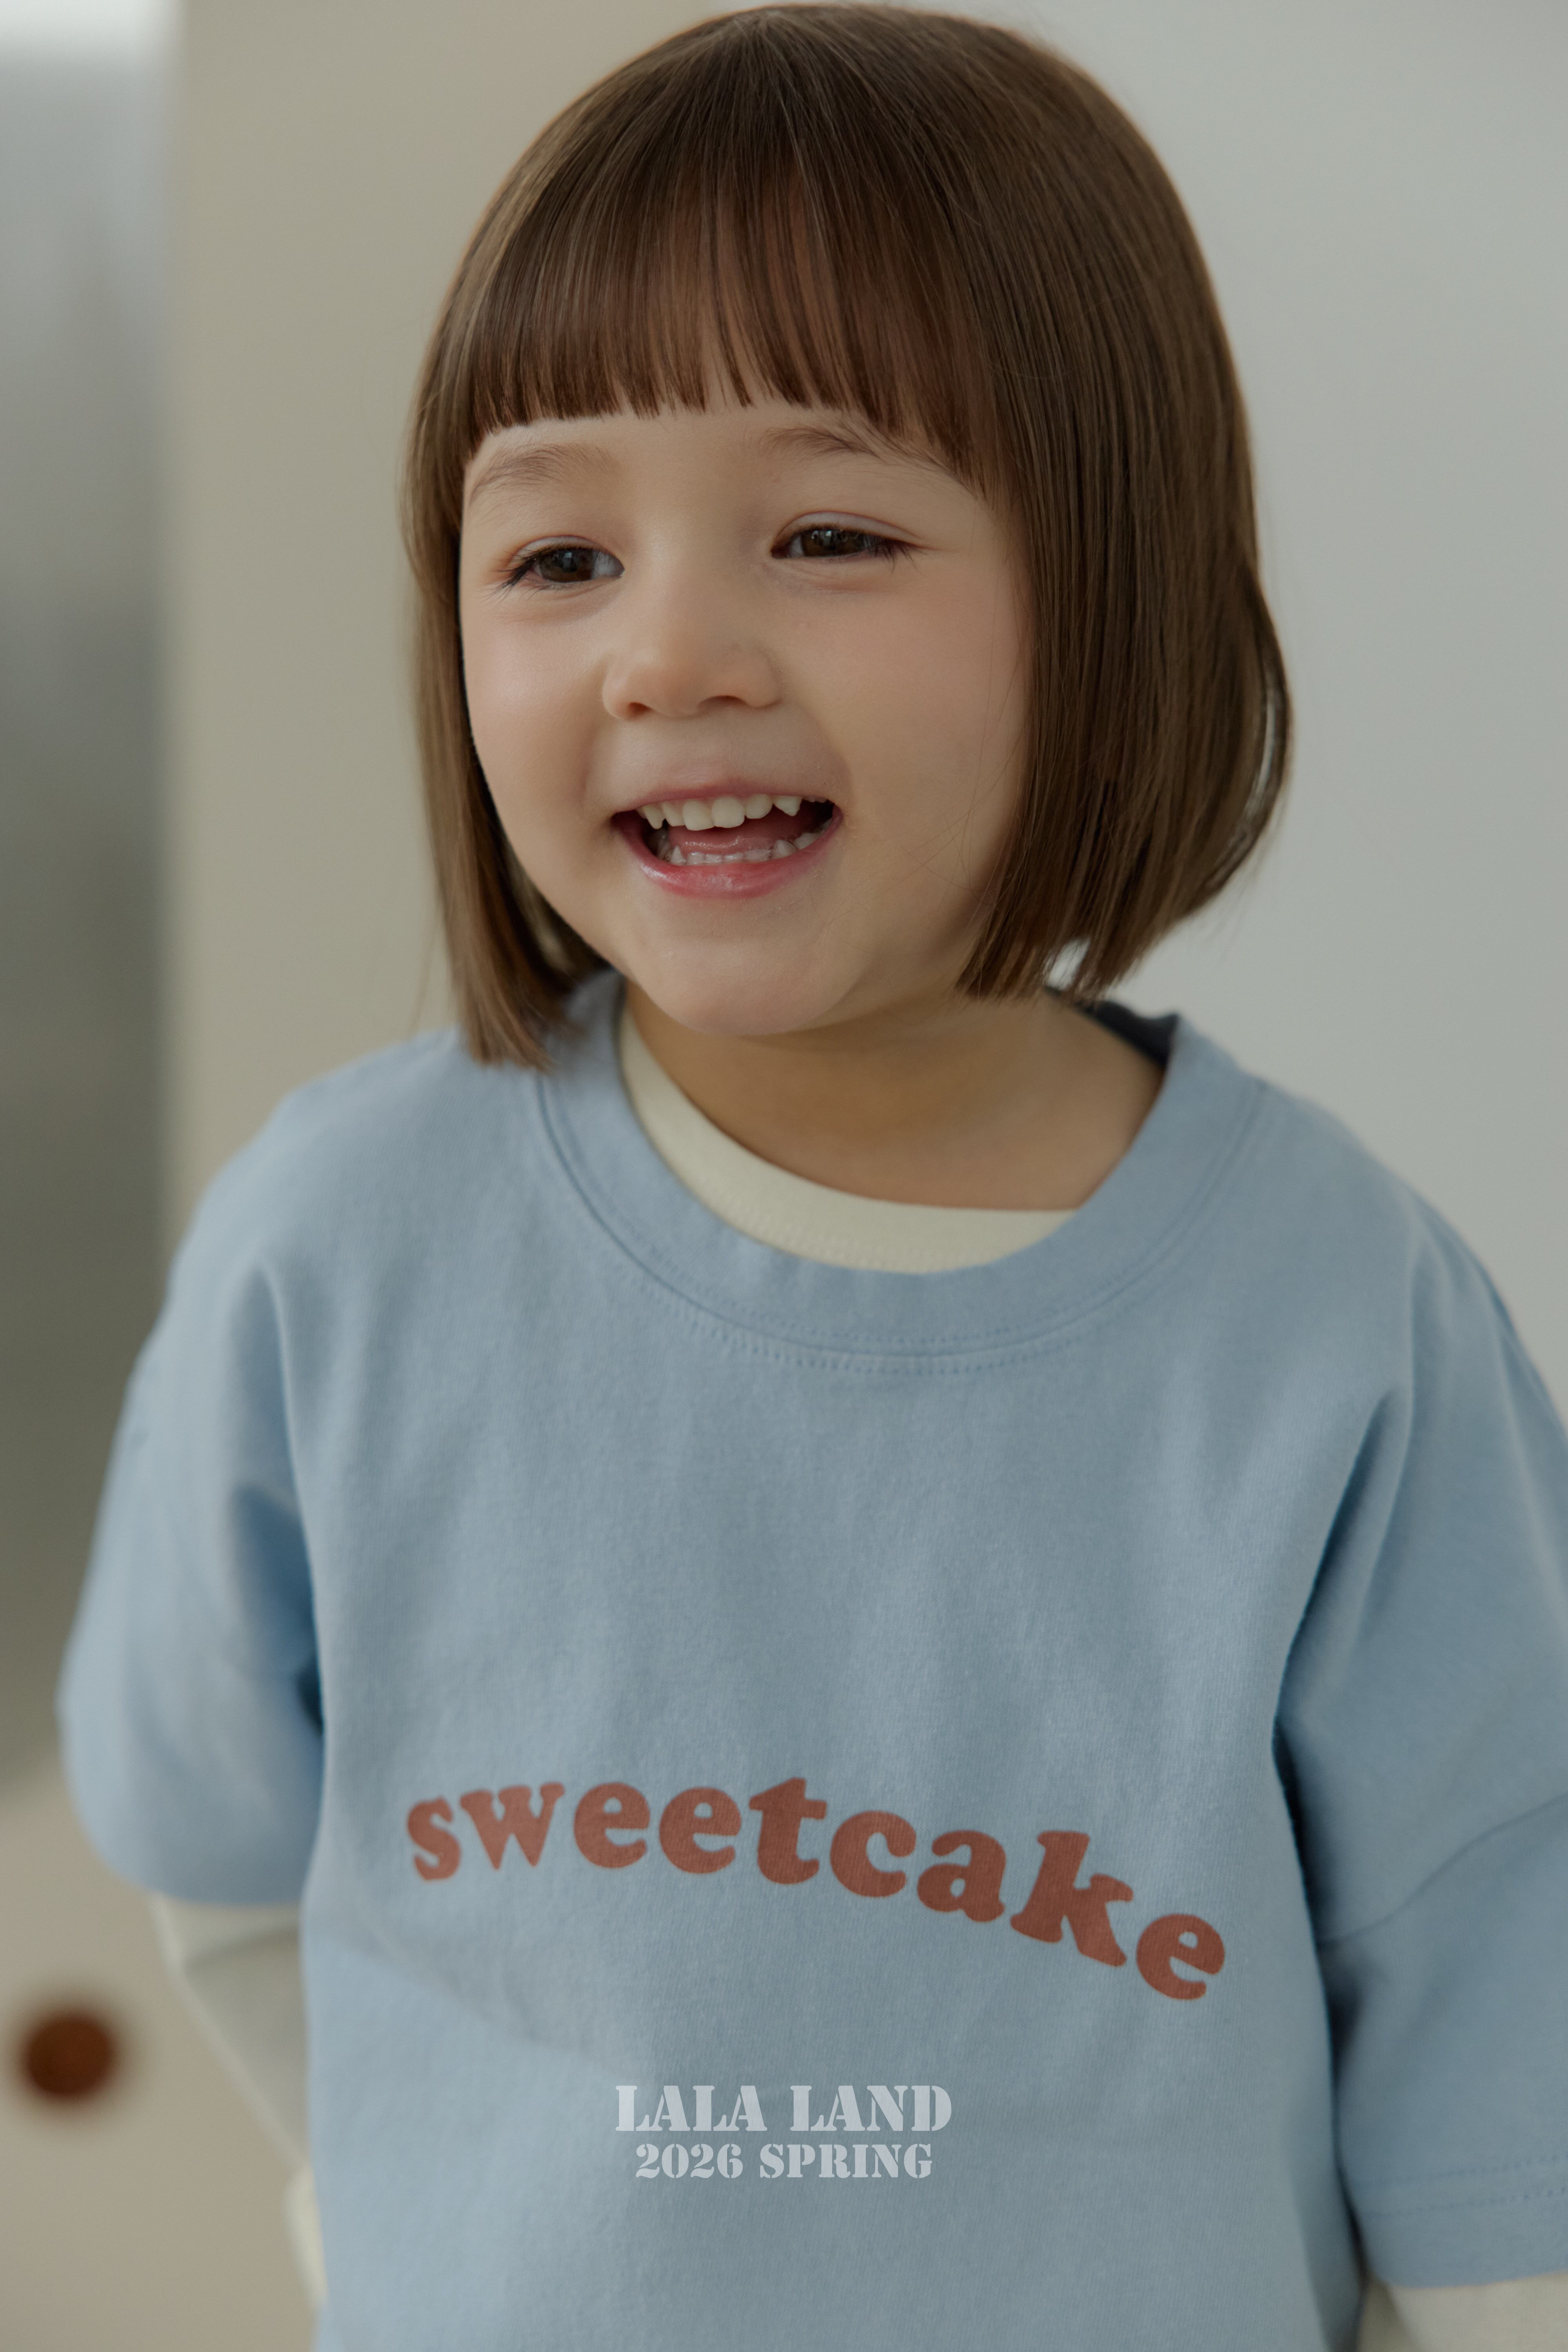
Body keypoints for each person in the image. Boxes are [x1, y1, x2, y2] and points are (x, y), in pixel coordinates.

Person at [57, 10, 1568, 2349]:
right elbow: (221, 1868)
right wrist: (411, 2226)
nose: (669, 655)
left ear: (1117, 590)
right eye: (558, 553)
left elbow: (1501, 2023)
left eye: (832, 533)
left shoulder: (1339, 1324)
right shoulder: (332, 1256)